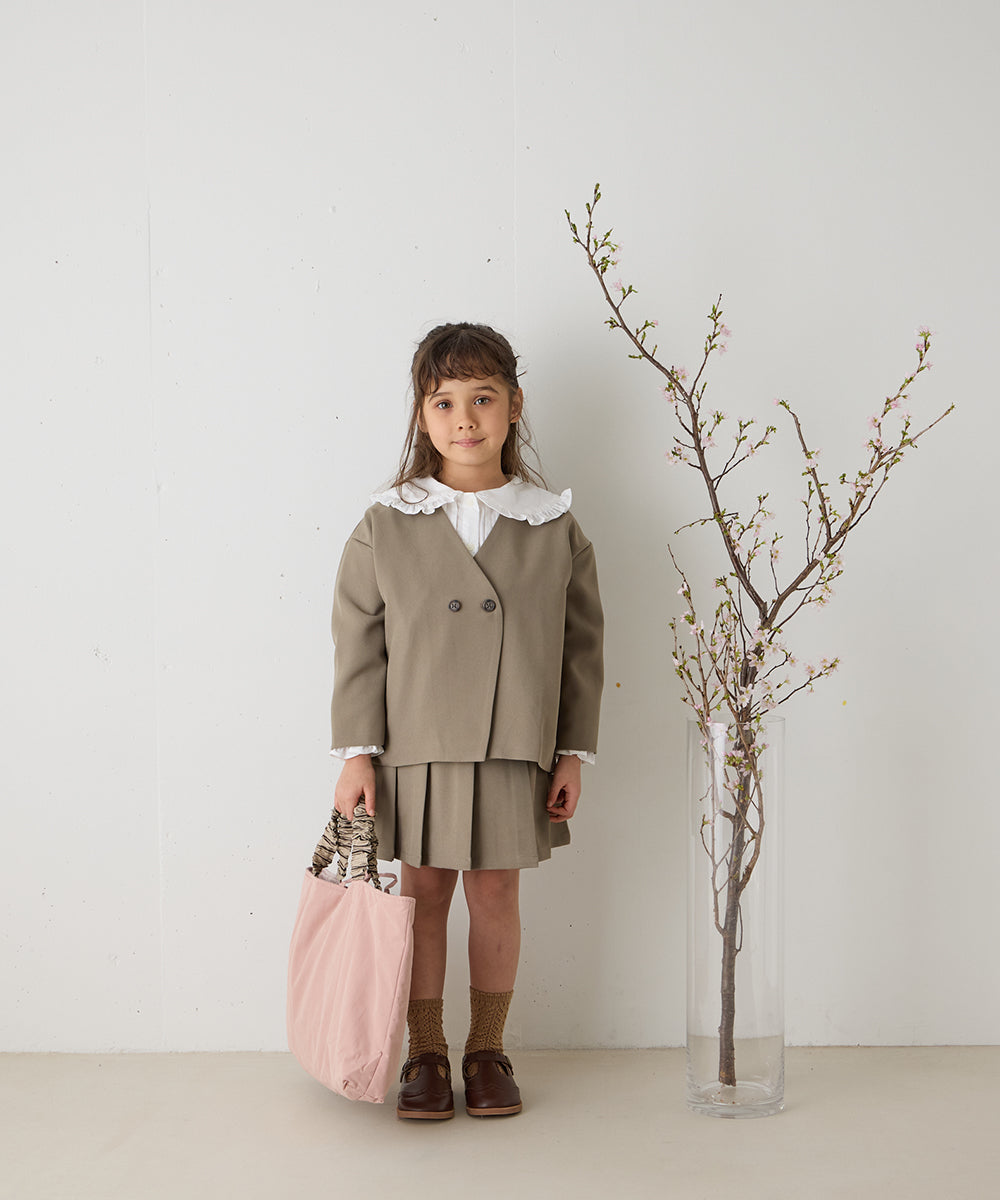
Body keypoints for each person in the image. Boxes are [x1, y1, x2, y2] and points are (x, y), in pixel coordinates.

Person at [329, 322, 603, 1120]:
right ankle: (425, 1052)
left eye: (482, 398)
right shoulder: (387, 521)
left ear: (514, 405)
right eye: (444, 402)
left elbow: (583, 647)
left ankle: (487, 1049)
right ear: (422, 415)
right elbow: (358, 642)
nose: (464, 419)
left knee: (496, 894)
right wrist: (357, 754)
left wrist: (572, 752)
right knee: (421, 896)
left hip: (515, 745)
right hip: (414, 747)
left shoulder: (552, 524)